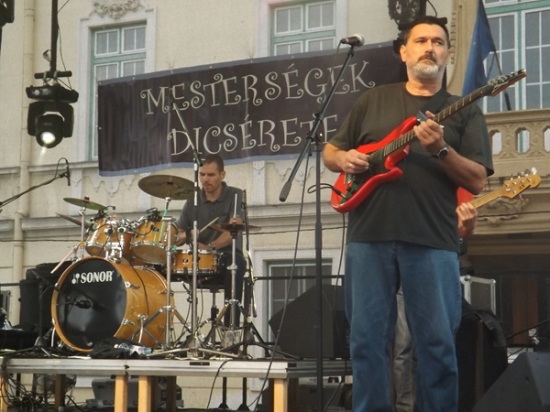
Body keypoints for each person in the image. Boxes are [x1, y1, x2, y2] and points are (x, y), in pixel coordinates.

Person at [322, 16, 494, 412]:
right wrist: (344, 159)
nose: (429, 47)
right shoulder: (372, 101)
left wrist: (440, 150)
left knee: (437, 345)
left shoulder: (464, 111)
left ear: (448, 54)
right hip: (369, 236)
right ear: (404, 52)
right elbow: (331, 151)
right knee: (365, 343)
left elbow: (478, 179)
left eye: (438, 41)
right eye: (420, 41)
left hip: (432, 240)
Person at [392, 202, 479, 412]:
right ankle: (405, 408)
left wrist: (462, 226)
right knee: (404, 348)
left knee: (437, 345)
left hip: (432, 261)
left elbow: (460, 233)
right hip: (401, 267)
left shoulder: (442, 197)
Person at [175, 154, 246, 329]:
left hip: (227, 255)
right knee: (165, 267)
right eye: (202, 174)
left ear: (222, 175)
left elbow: (233, 230)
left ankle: (231, 328)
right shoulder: (192, 200)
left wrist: (210, 247)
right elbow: (178, 234)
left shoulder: (235, 195)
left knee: (236, 265)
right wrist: (185, 236)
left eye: (211, 175)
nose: (205, 179)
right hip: (198, 258)